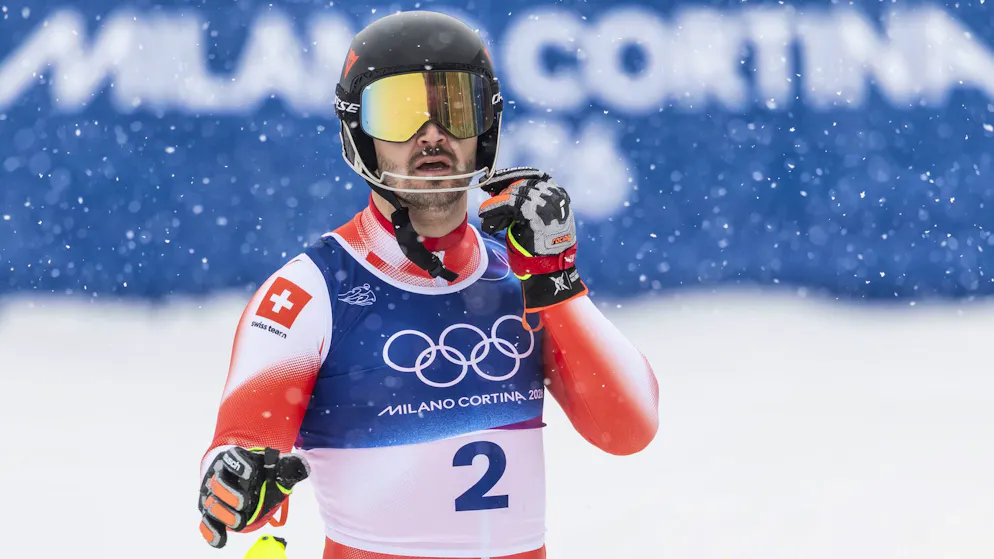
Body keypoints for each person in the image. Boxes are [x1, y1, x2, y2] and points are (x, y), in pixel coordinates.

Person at [197, 10, 659, 559]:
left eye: (455, 109)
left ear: (485, 129)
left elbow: (628, 429)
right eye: (400, 113)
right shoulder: (309, 292)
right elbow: (238, 455)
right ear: (361, 135)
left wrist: (557, 280)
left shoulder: (525, 277)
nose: (433, 135)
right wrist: (236, 480)